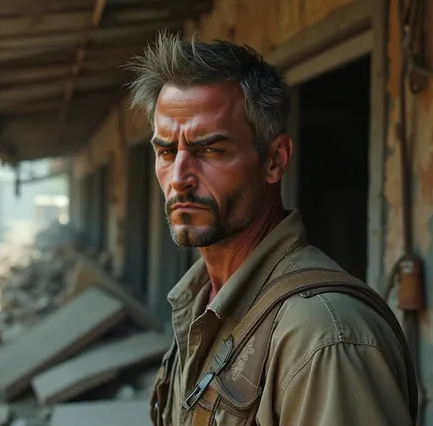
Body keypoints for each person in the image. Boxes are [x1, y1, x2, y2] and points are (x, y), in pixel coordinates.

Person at [126, 32, 417, 426]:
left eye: (210, 150)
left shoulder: (323, 336)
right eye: (166, 152)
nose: (179, 178)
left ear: (275, 160)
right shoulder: (200, 301)